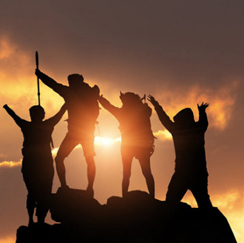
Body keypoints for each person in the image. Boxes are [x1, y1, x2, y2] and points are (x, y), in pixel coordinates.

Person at [35, 69, 100, 197]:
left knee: (60, 159)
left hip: (75, 133)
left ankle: (65, 186)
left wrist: (40, 75)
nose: (69, 84)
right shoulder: (90, 93)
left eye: (70, 82)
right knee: (89, 159)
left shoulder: (70, 93)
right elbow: (54, 84)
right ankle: (89, 188)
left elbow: (53, 84)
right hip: (87, 132)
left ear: (73, 82)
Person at [3, 103, 66, 226]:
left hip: (31, 166)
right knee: (43, 193)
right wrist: (67, 103)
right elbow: (60, 113)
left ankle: (32, 220)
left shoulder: (27, 126)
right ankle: (38, 220)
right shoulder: (47, 125)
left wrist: (7, 108)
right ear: (42, 115)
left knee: (33, 193)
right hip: (43, 166)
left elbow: (15, 117)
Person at [148, 95, 212, 209]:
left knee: (171, 202)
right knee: (204, 204)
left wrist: (156, 106)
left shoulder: (178, 131)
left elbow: (164, 119)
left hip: (183, 173)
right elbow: (203, 122)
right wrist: (202, 111)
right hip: (197, 173)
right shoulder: (198, 129)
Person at [99, 92, 155, 198]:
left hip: (130, 146)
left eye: (124, 102)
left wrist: (100, 99)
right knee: (145, 172)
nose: (122, 104)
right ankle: (151, 197)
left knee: (128, 174)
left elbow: (109, 107)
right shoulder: (143, 111)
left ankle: (125, 197)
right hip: (139, 145)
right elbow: (109, 107)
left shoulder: (124, 113)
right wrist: (101, 99)